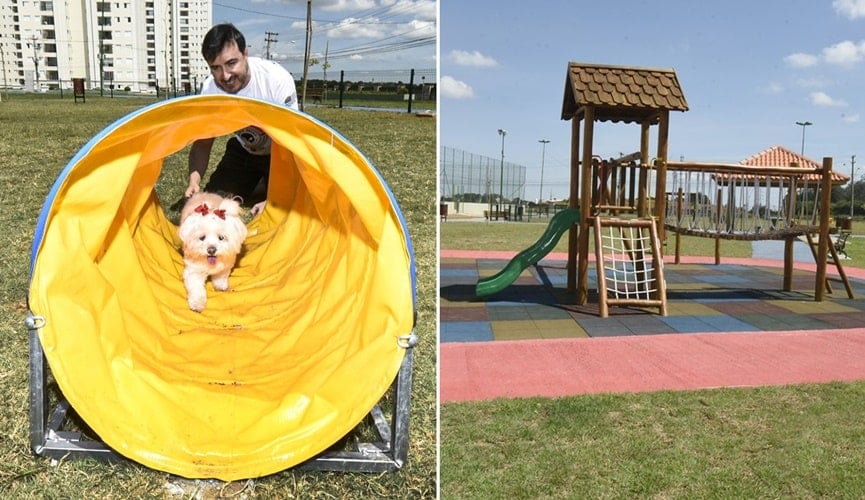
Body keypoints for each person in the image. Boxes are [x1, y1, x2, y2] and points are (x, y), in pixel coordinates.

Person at [185, 23, 298, 216]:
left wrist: (276, 199)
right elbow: (203, 142)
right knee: (214, 202)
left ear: (245, 54)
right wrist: (194, 181)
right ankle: (259, 183)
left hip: (280, 155)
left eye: (231, 63)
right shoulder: (211, 89)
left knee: (287, 207)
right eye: (216, 68)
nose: (225, 76)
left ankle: (266, 183)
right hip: (244, 151)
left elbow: (291, 144)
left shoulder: (275, 80)